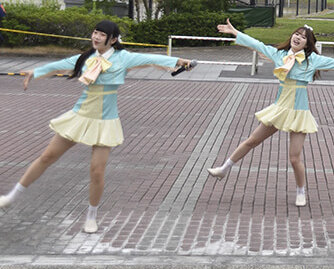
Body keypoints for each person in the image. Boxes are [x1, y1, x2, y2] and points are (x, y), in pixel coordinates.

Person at [0, 20, 193, 233]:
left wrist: (180, 61)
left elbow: (152, 59)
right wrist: (35, 72)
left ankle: (91, 216)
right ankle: (11, 197)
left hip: (105, 121)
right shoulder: (86, 57)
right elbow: (59, 65)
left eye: (101, 34)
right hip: (80, 116)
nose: (96, 37)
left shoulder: (124, 58)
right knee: (47, 157)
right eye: (95, 33)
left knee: (97, 171)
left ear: (113, 39)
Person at [207, 20, 334, 207]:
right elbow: (258, 45)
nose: (298, 38)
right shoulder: (280, 55)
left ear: (307, 44)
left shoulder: (312, 60)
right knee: (251, 141)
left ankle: (301, 191)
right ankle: (224, 169)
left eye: (303, 37)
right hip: (279, 109)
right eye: (297, 34)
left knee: (294, 158)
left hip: (298, 113)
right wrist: (235, 32)